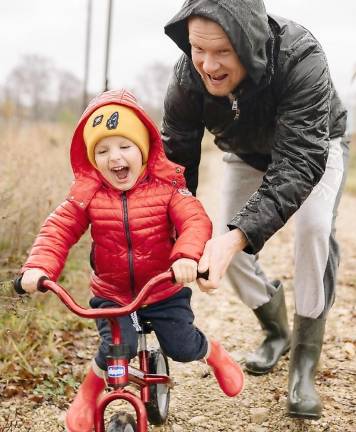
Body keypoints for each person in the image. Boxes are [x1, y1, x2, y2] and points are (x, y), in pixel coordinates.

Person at [162, 0, 348, 420]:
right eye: (198, 49)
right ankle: (275, 329)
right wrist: (179, 236)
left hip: (315, 148)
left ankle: (303, 363)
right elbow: (175, 168)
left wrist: (238, 236)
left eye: (223, 51)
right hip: (244, 153)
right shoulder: (185, 80)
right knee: (223, 239)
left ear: (249, 43)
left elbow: (299, 162)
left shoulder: (301, 57)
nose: (208, 65)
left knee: (313, 230)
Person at [19, 89, 244, 432]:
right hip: (113, 294)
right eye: (103, 150)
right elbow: (59, 228)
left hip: (162, 289)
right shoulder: (88, 194)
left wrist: (185, 256)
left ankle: (212, 352)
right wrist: (39, 267)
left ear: (143, 148)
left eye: (125, 146)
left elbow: (195, 221)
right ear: (93, 159)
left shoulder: (167, 187)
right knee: (116, 348)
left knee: (181, 346)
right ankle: (89, 395)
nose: (115, 158)